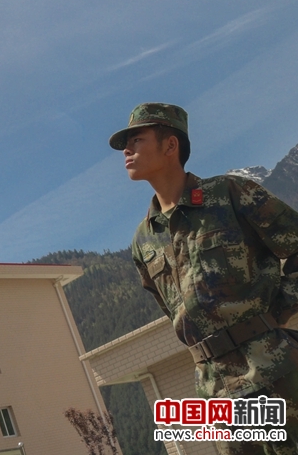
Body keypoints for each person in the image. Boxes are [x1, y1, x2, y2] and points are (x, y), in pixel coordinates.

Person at [111, 103, 298, 454]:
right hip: (216, 390)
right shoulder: (143, 240)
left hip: (275, 368)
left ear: (170, 145)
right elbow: (173, 310)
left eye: (137, 139)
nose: (126, 150)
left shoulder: (229, 194)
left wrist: (278, 313)